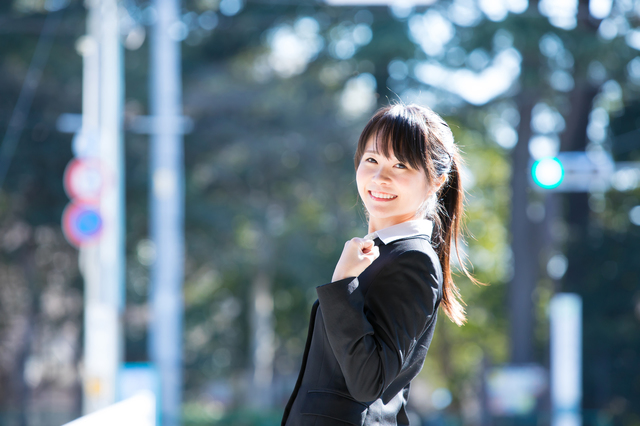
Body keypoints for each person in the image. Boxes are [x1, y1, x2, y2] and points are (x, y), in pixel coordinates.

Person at [281, 103, 479, 426]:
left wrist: (342, 283)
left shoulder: (414, 261)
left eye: (401, 165)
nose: (379, 177)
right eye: (371, 160)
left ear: (436, 181)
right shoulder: (381, 253)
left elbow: (368, 381)